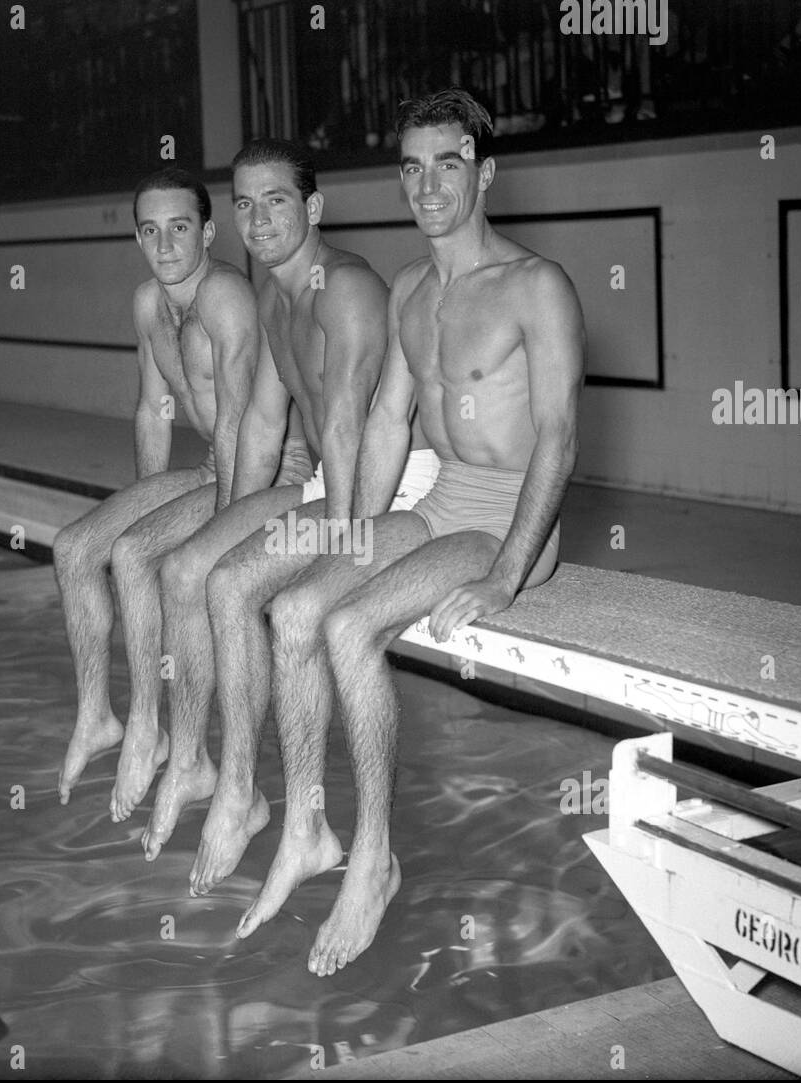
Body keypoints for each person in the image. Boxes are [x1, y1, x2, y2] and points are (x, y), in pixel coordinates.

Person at [283, 88, 583, 975]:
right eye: (411, 166)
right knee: (300, 610)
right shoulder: (412, 291)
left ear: (483, 173)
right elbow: (386, 426)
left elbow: (560, 439)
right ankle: (306, 824)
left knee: (347, 628)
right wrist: (355, 534)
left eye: (447, 162)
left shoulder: (537, 287)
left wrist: (505, 575)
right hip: (441, 502)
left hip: (509, 519)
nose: (428, 184)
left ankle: (374, 858)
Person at [127, 140, 435, 884]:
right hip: (332, 483)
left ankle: (286, 810)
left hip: (393, 486)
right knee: (206, 574)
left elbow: (351, 429)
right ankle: (233, 786)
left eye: (276, 201)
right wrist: (226, 524)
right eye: (244, 204)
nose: (258, 218)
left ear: (313, 209)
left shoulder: (348, 288)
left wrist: (348, 546)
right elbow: (264, 425)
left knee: (264, 595)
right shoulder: (272, 297)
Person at [52, 168, 258, 814]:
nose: (165, 244)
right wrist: (146, 504)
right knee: (76, 547)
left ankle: (150, 725)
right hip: (207, 471)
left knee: (140, 556)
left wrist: (217, 531)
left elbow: (237, 423)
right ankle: (98, 715)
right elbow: (153, 411)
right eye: (150, 230)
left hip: (267, 472)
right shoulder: (148, 304)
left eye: (179, 228)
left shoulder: (226, 298)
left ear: (208, 231)